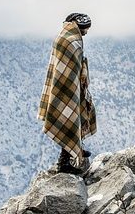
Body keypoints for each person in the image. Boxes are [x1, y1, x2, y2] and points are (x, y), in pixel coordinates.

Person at [37, 13, 97, 175]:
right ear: (80, 27)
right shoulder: (72, 41)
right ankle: (64, 162)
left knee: (77, 116)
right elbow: (72, 67)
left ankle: (75, 148)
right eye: (85, 29)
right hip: (67, 88)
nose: (86, 33)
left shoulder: (64, 36)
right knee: (70, 119)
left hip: (69, 86)